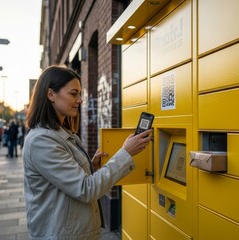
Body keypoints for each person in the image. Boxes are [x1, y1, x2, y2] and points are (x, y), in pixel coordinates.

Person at [23, 66, 151, 239]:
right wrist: (125, 153)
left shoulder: (60, 133)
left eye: (80, 94)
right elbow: (85, 189)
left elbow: (66, 181)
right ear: (51, 94)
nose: (80, 100)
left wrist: (91, 166)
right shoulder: (42, 141)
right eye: (73, 93)